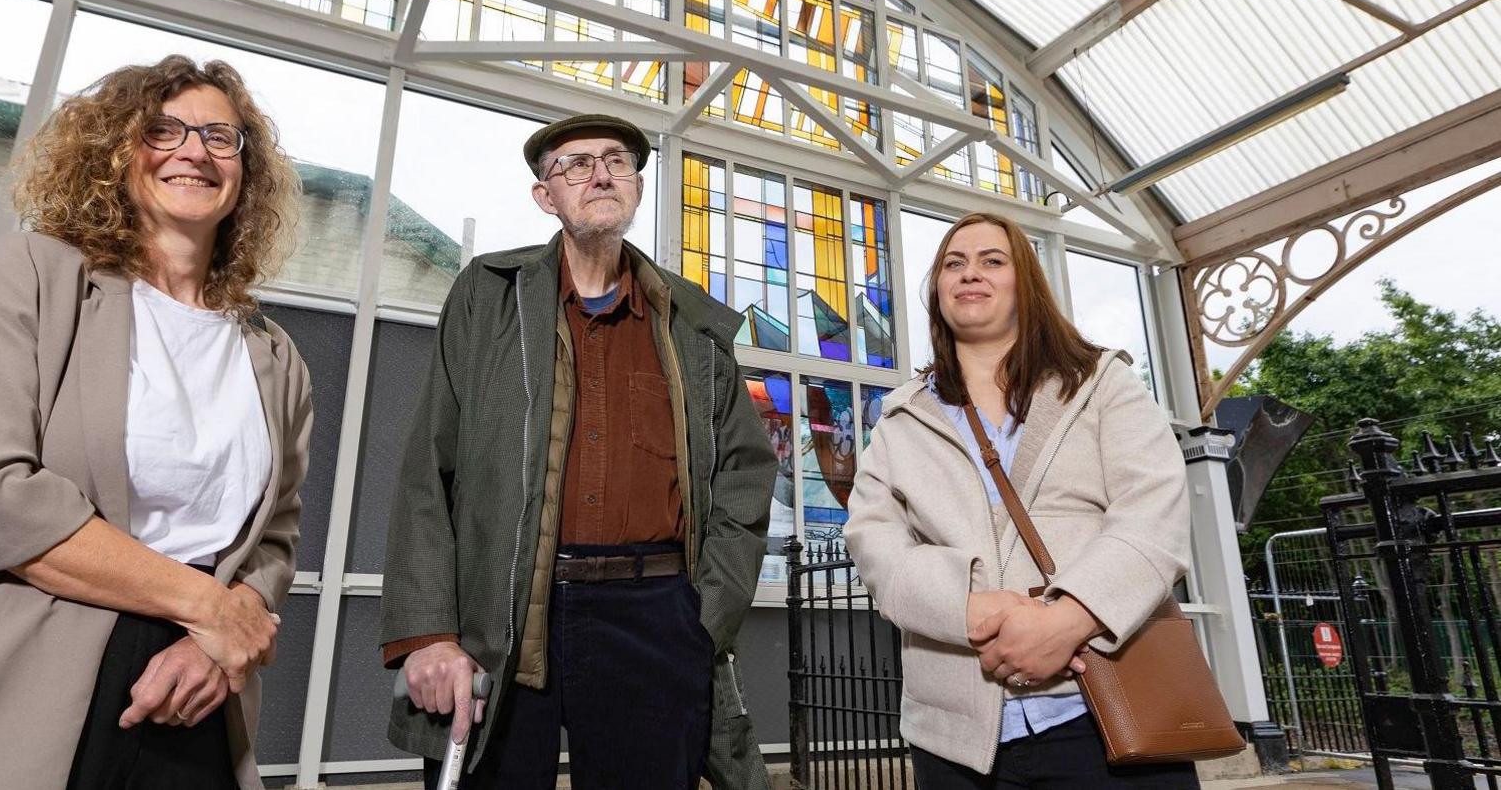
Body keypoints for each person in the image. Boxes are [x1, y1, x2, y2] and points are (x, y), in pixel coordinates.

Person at [0, 56, 313, 790]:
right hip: (16, 672)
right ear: (116, 152)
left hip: (193, 689)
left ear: (247, 168)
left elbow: (276, 531)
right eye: (162, 129)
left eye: (220, 136)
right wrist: (206, 605)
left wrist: (218, 639)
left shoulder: (273, 352)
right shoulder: (33, 276)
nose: (193, 151)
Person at [379, 112, 779, 789]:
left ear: (636, 187)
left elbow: (745, 475)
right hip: (504, 609)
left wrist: (702, 621)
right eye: (576, 164)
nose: (600, 174)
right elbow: (429, 473)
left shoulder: (693, 323)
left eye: (617, 162)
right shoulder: (488, 296)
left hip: (656, 615)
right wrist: (427, 634)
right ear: (546, 196)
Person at [844, 212, 1198, 789]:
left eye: (992, 261)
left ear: (1025, 283)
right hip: (957, 735)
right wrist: (964, 606)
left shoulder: (1101, 383)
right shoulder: (899, 417)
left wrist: (1071, 619)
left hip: (1101, 708)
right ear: (937, 290)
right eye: (953, 264)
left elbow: (1153, 513)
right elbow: (873, 542)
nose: (969, 274)